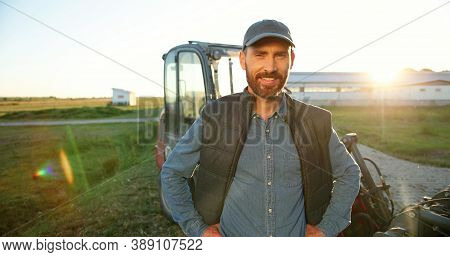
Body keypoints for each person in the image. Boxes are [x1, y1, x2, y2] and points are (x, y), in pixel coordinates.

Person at [161, 19, 360, 237]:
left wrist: (326, 229)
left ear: (291, 60)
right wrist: (198, 230)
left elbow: (349, 173)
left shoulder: (313, 121)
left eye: (280, 55)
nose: (270, 67)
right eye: (260, 55)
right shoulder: (214, 117)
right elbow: (172, 172)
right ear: (243, 60)